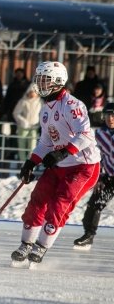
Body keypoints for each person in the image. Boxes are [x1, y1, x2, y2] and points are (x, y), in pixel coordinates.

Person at [12, 61, 100, 266]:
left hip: (83, 166)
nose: (40, 84)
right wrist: (31, 162)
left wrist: (61, 153)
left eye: (45, 80)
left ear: (58, 82)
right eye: (39, 79)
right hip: (60, 165)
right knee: (38, 199)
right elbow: (45, 142)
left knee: (60, 203)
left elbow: (86, 135)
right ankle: (26, 243)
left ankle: (41, 246)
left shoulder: (73, 105)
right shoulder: (45, 110)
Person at [73, 102, 114, 250]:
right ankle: (88, 235)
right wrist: (100, 177)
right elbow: (98, 157)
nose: (111, 119)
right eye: (108, 115)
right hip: (109, 178)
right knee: (94, 205)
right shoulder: (100, 135)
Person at [12, 85, 42, 162]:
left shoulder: (40, 102)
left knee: (32, 148)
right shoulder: (23, 101)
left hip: (34, 128)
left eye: (34, 92)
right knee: (21, 147)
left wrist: (39, 123)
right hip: (23, 127)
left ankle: (30, 165)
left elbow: (43, 114)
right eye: (31, 92)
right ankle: (22, 163)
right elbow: (16, 113)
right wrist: (23, 121)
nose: (32, 94)